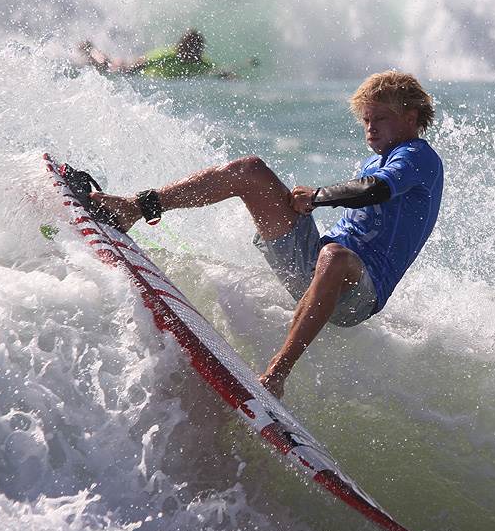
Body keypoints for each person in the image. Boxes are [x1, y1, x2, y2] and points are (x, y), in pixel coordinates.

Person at [91, 70, 444, 397]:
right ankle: (135, 207)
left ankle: (276, 374)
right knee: (249, 171)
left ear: (410, 117)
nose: (370, 128)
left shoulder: (418, 156)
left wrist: (317, 197)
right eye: (366, 120)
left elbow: (375, 190)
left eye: (380, 118)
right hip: (317, 261)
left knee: (335, 257)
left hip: (358, 293)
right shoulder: (377, 159)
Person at [79, 28, 244, 78]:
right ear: (182, 47)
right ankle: (91, 50)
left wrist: (230, 76)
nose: (195, 53)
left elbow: (219, 72)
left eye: (197, 49)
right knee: (108, 65)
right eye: (191, 48)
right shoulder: (167, 55)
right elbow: (139, 63)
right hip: (137, 71)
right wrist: (126, 70)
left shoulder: (201, 62)